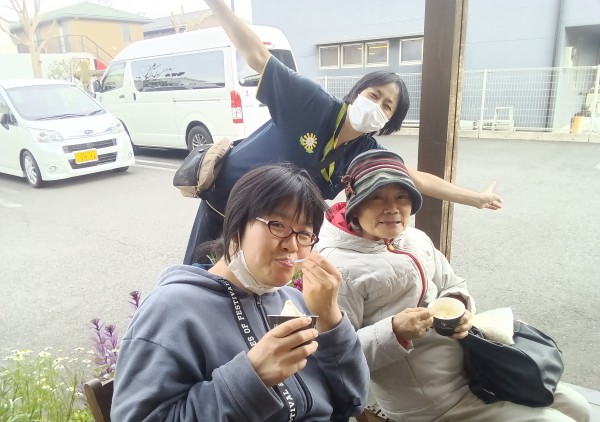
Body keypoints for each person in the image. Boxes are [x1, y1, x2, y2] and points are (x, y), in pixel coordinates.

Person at [183, 0, 503, 264]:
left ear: (388, 122)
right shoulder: (311, 102)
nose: (377, 105)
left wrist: (476, 198)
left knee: (250, 297)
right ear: (357, 92)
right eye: (374, 94)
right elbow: (258, 57)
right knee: (198, 285)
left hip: (272, 230)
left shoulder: (365, 152)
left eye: (387, 106)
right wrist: (218, 6)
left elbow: (416, 178)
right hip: (223, 206)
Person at [315, 149, 591, 422]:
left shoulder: (413, 238)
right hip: (428, 400)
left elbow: (452, 283)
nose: (392, 208)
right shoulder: (338, 269)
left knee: (578, 408)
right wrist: (394, 330)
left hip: (473, 366)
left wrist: (459, 304)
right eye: (377, 197)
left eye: (402, 196)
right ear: (354, 203)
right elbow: (336, 358)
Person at [111, 164, 371, 422]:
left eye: (304, 234)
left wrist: (331, 320)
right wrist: (251, 378)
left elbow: (353, 401)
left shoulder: (294, 301)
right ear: (236, 224)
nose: (292, 245)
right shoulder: (171, 310)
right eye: (278, 225)